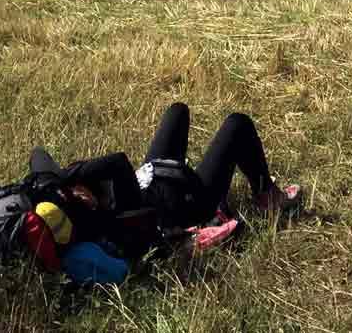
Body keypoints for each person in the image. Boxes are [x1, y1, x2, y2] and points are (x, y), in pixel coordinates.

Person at [28, 103, 302, 257]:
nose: (81, 192)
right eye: (80, 197)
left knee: (177, 111)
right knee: (237, 123)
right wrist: (67, 177)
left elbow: (38, 155)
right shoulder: (114, 212)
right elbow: (119, 161)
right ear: (85, 208)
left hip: (159, 170)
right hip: (192, 198)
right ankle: (267, 195)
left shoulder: (82, 200)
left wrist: (49, 184)